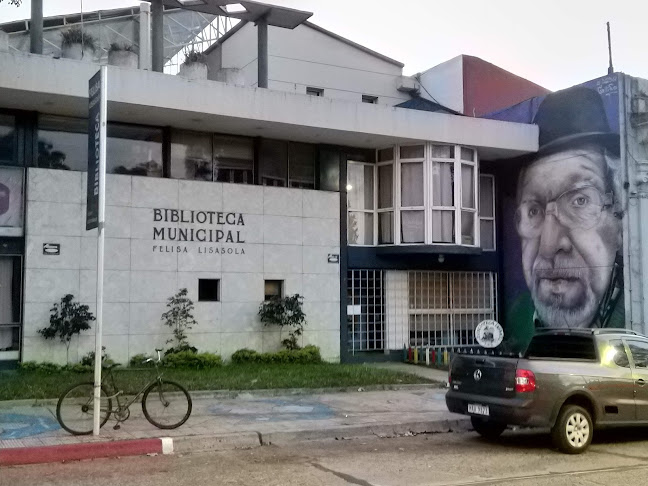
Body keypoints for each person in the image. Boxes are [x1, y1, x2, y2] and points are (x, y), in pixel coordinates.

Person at [514, 86, 624, 333]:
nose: (549, 246)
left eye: (579, 201)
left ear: (620, 223)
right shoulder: (516, 319)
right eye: (534, 210)